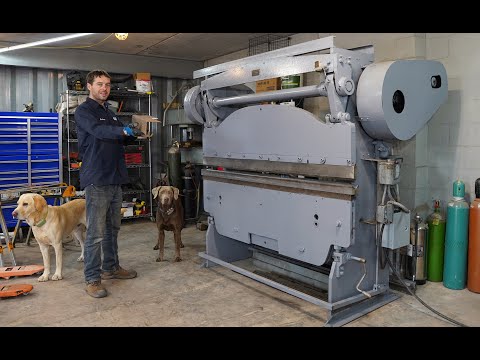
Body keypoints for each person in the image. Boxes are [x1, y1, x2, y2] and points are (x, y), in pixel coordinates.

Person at [75, 69, 139, 298]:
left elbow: (119, 136)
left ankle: (111, 268)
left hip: (115, 177)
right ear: (89, 86)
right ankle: (92, 279)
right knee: (96, 232)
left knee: (113, 228)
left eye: (108, 85)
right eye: (100, 84)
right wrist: (122, 129)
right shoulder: (84, 112)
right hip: (97, 178)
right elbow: (99, 131)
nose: (104, 88)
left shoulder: (109, 113)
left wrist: (135, 132)